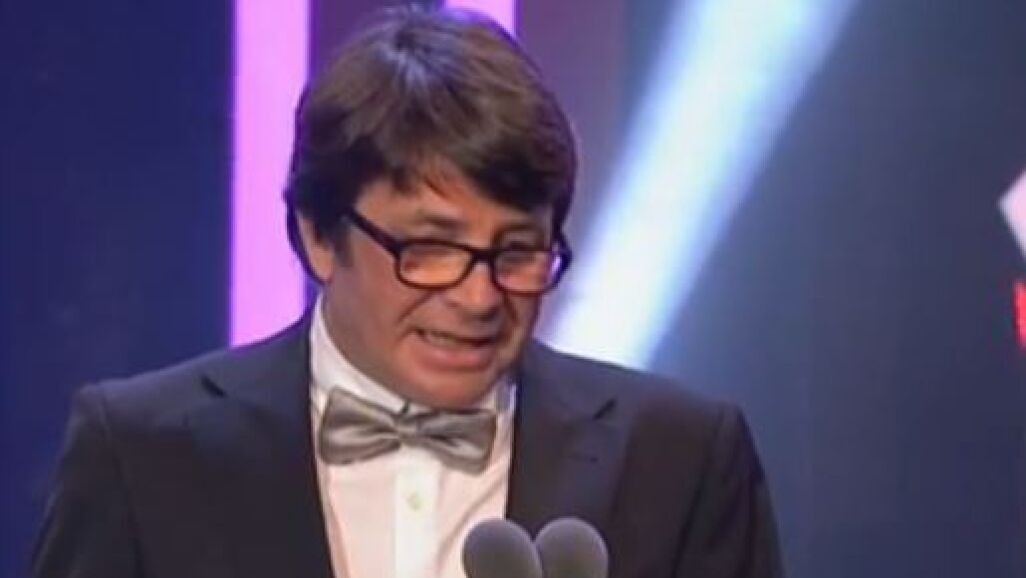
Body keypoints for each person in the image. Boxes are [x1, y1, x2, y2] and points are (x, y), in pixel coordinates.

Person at [33, 7, 784, 578]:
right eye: (431, 250)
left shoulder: (679, 459)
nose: (479, 297)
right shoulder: (141, 453)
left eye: (517, 252)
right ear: (318, 236)